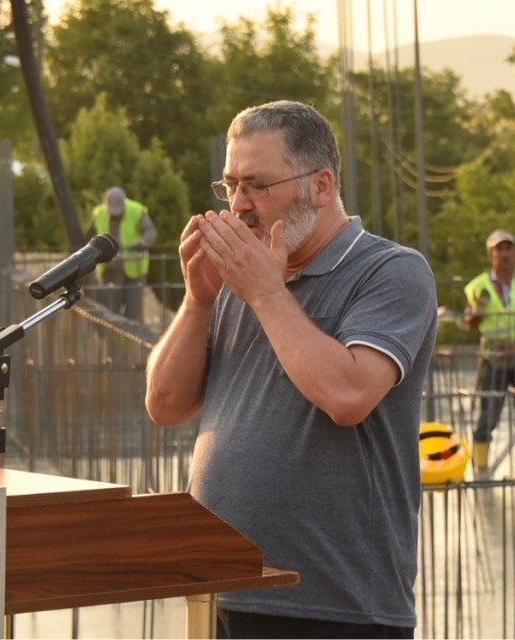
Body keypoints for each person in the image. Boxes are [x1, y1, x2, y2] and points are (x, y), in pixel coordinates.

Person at [145, 100, 437, 638]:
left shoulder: (390, 271)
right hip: (220, 588)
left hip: (335, 605)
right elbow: (165, 405)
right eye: (229, 186)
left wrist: (264, 290)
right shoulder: (243, 278)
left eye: (258, 185)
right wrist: (198, 300)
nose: (239, 206)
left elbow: (348, 396)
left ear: (320, 186)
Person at [463, 229, 515, 470]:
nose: (505, 254)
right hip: (494, 358)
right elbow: (471, 323)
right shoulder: (477, 285)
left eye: (508, 248)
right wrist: (475, 312)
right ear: (491, 254)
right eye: (499, 249)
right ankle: (481, 467)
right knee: (489, 414)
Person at [91, 186, 156, 321]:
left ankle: (134, 340)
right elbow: (89, 237)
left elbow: (150, 232)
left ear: (124, 202)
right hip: (110, 270)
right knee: (110, 313)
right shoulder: (99, 213)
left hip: (134, 269)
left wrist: (142, 242)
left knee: (133, 312)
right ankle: (112, 342)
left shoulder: (136, 211)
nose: (115, 214)